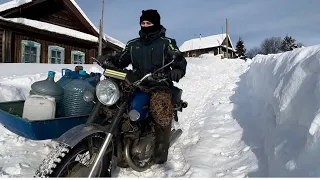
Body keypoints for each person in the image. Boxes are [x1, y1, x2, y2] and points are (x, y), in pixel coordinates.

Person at [100, 9, 187, 164]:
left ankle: (160, 152)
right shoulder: (133, 44)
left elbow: (178, 57)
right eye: (143, 23)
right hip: (135, 83)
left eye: (149, 23)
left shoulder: (166, 42)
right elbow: (122, 59)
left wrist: (178, 69)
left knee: (160, 108)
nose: (145, 25)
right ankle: (119, 143)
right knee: (113, 105)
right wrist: (109, 59)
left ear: (156, 24)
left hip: (159, 84)